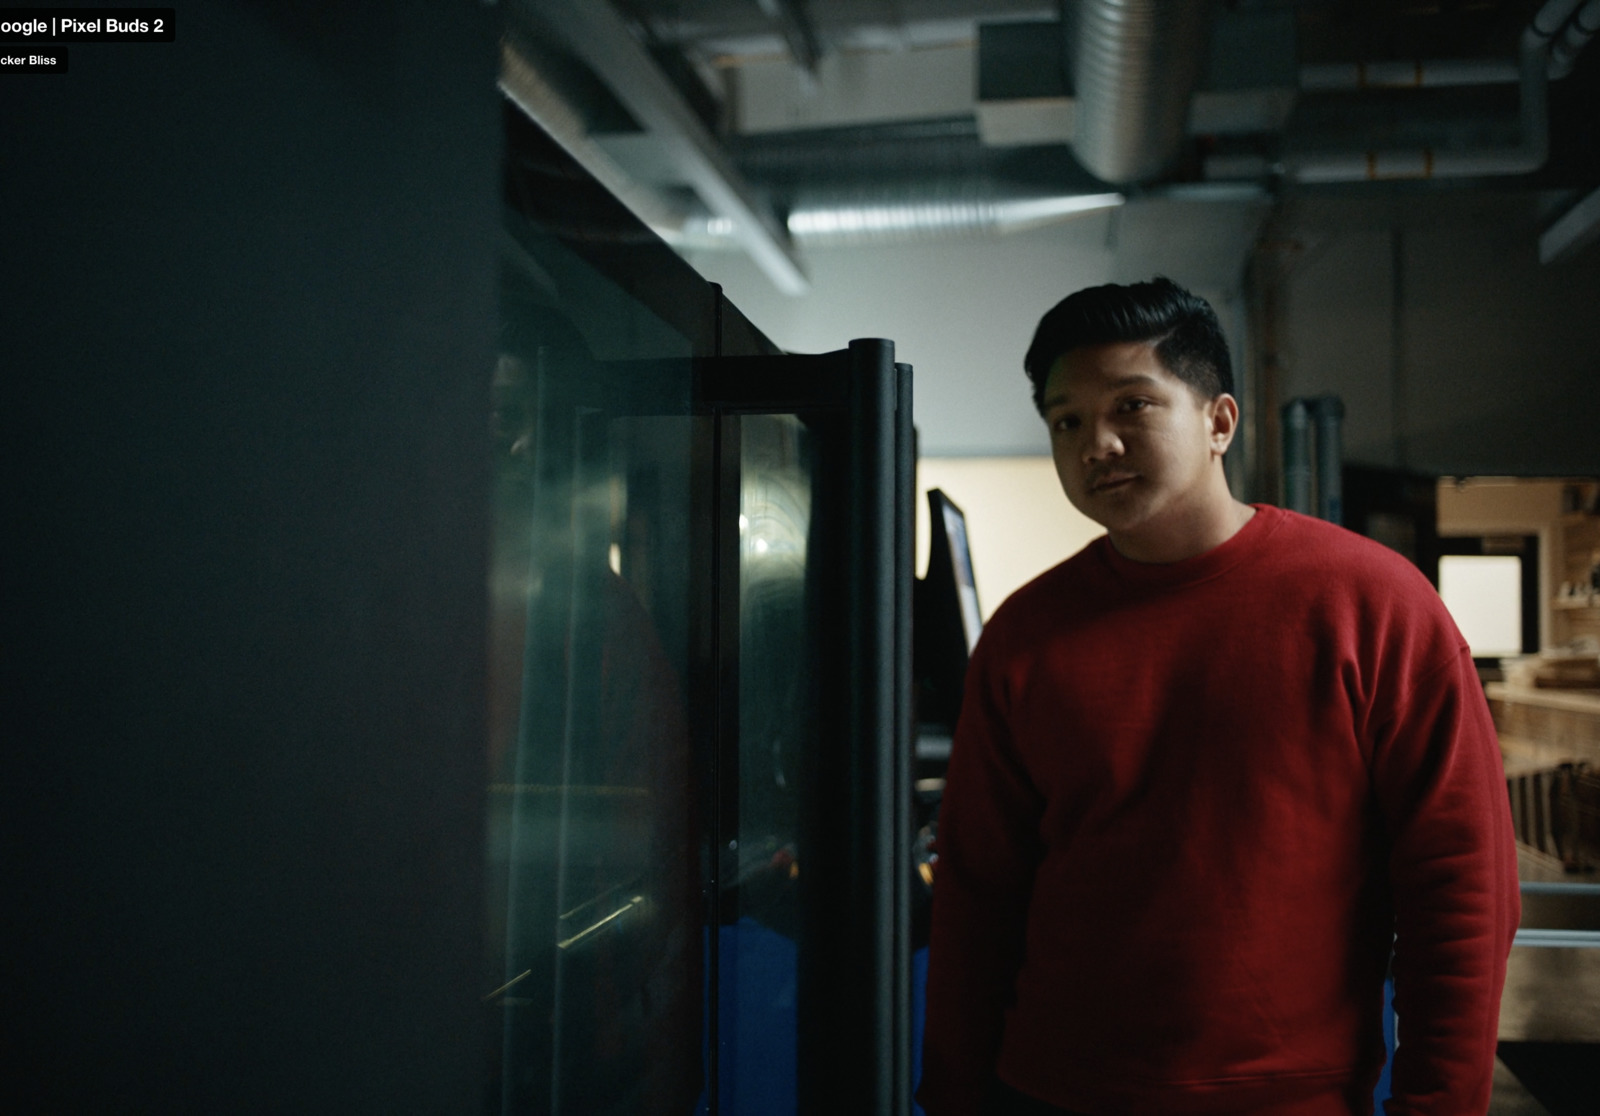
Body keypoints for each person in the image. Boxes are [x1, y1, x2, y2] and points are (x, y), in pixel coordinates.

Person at [918, 278, 1519, 1116]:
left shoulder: (1373, 605)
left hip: (1286, 1100)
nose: (1097, 444)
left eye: (1132, 406)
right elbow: (978, 899)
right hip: (1049, 1094)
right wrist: (952, 1096)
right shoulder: (1026, 637)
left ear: (1219, 421)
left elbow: (1461, 887)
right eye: (1067, 421)